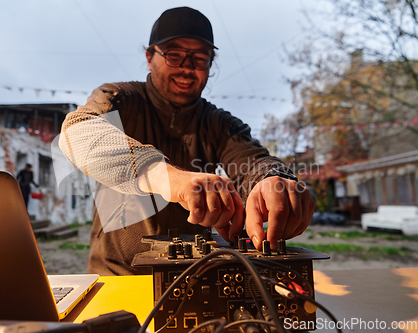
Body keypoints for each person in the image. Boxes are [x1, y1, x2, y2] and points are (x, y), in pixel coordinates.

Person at [59, 7, 315, 275]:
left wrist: (272, 179)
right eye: (174, 55)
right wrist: (166, 178)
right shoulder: (119, 98)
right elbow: (77, 130)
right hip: (116, 275)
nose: (187, 68)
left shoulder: (219, 123)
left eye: (200, 58)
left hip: (193, 279)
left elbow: (252, 160)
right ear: (149, 57)